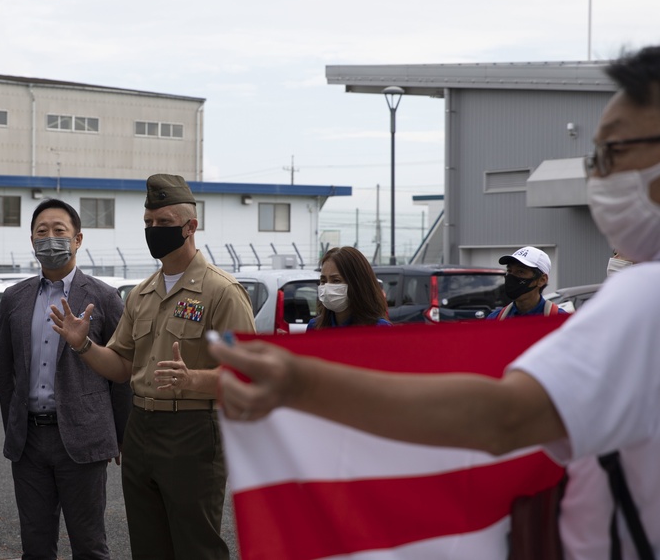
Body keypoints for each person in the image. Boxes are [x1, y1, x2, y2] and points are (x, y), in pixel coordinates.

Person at [210, 45, 660, 558]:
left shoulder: (643, 298)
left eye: (613, 153)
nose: (598, 176)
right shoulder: (522, 315)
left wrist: (304, 383)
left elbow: (503, 418)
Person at [51, 174, 256, 560]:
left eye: (163, 223)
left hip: (193, 431)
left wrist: (192, 378)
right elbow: (121, 365)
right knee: (148, 546)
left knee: (196, 546)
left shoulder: (221, 293)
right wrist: (83, 345)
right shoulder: (142, 294)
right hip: (141, 428)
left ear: (190, 226)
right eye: (148, 223)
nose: (154, 231)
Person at [0, 199, 132, 560]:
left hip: (83, 439)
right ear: (31, 240)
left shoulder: (104, 298)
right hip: (29, 442)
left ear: (78, 239)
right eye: (42, 232)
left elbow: (123, 372)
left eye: (60, 231)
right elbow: (5, 373)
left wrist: (118, 436)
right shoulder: (14, 299)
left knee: (89, 545)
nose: (51, 239)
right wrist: (13, 427)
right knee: (36, 546)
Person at [307, 246, 390, 330]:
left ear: (356, 284)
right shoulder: (314, 327)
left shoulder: (379, 328)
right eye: (323, 281)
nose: (327, 287)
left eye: (336, 280)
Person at [486, 246, 565, 320]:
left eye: (520, 272)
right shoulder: (495, 319)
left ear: (542, 280)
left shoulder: (560, 320)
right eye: (509, 271)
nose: (511, 277)